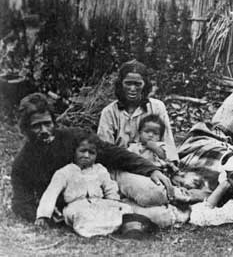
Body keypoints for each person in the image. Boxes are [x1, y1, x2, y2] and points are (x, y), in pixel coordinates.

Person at [11, 93, 172, 224]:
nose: (44, 130)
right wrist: (42, 214)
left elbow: (112, 152)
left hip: (108, 179)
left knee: (156, 193)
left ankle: (183, 195)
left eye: (47, 123)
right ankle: (178, 211)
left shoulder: (73, 137)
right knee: (160, 217)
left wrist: (150, 169)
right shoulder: (22, 163)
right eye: (37, 126)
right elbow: (21, 202)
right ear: (25, 129)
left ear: (54, 121)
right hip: (88, 204)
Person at [35, 132, 131, 237]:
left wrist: (113, 203)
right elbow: (51, 194)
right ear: (74, 152)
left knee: (125, 209)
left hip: (97, 204)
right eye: (82, 151)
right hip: (76, 207)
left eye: (91, 153)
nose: (86, 155)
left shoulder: (100, 170)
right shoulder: (65, 172)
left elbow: (110, 188)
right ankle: (101, 228)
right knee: (82, 215)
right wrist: (43, 216)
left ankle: (108, 226)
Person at [98, 60, 178, 162]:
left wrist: (172, 166)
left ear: (145, 85)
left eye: (137, 84)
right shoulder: (109, 112)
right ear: (120, 84)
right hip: (121, 166)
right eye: (128, 83)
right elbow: (105, 151)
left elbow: (168, 142)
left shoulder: (157, 107)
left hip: (154, 163)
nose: (132, 88)